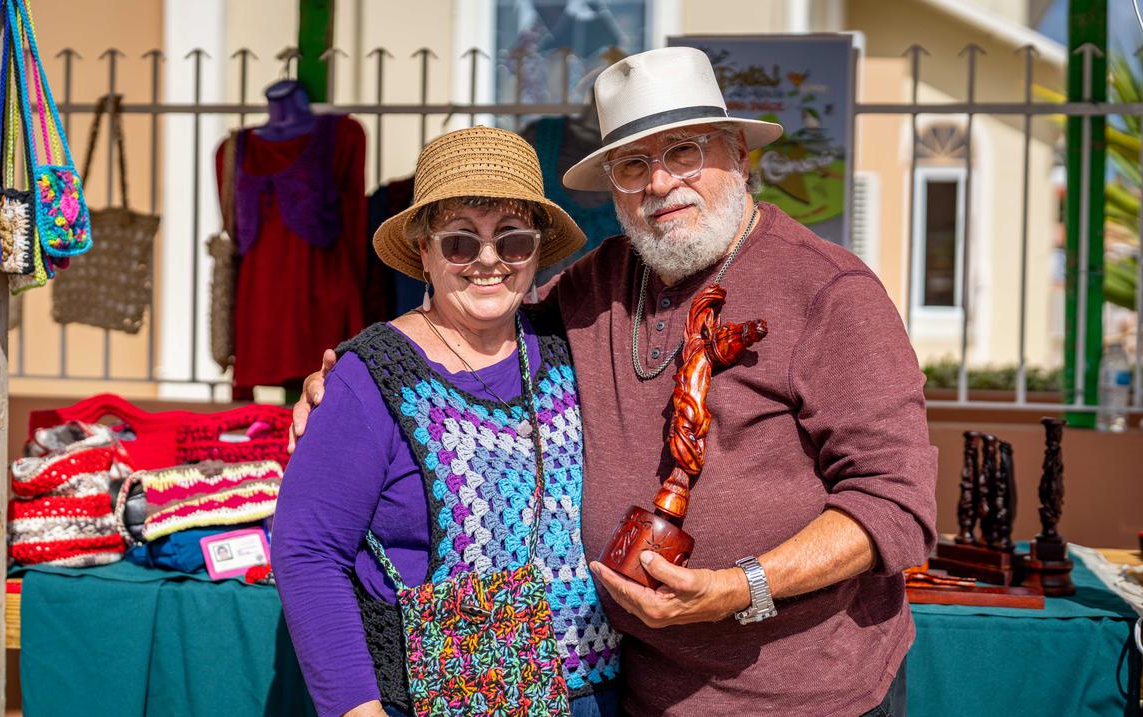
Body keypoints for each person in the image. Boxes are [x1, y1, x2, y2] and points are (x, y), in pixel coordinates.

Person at [293, 47, 936, 716]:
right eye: (633, 164)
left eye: (684, 152)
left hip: (809, 695)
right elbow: (470, 316)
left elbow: (898, 505)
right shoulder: (595, 282)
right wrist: (357, 369)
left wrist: (740, 587)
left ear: (740, 153)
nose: (660, 183)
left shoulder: (830, 292)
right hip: (642, 692)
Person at [271, 126, 621, 717]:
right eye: (461, 242)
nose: (488, 261)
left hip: (593, 690)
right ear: (425, 252)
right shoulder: (373, 376)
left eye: (511, 241)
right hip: (446, 699)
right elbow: (307, 551)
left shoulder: (569, 347)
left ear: (536, 251)